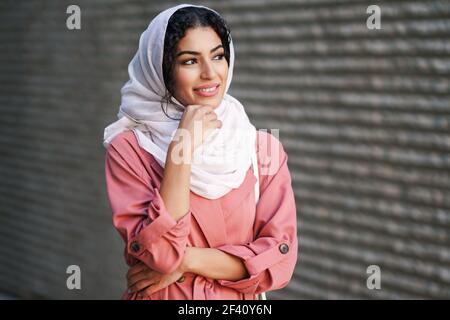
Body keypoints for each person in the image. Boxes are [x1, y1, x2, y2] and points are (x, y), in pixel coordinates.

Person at [103, 4, 298, 300]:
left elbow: (281, 261)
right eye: (189, 61)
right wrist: (182, 147)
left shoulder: (262, 148)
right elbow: (163, 255)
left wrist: (189, 260)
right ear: (163, 69)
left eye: (218, 56)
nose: (210, 74)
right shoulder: (129, 149)